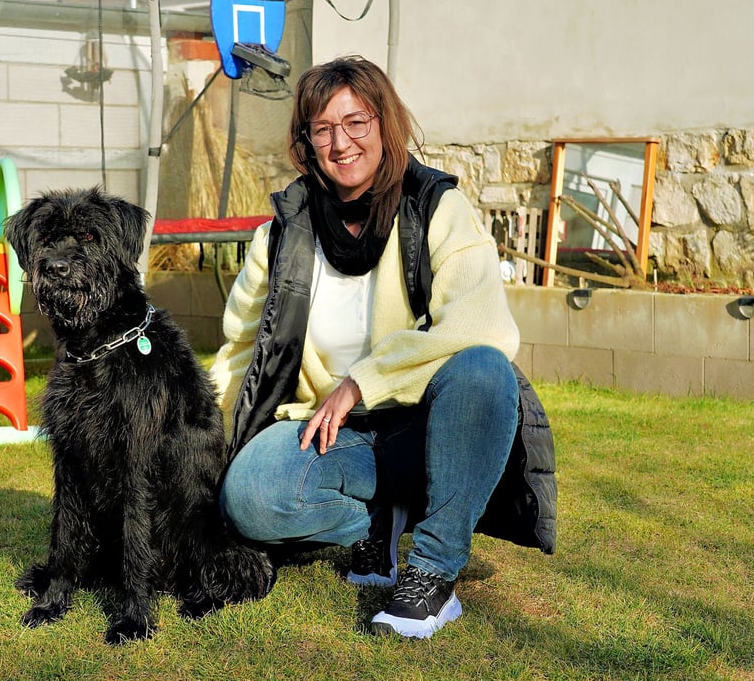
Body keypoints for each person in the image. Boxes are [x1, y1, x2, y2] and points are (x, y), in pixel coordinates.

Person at [211, 55, 555, 639]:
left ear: (385, 124)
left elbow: (484, 327)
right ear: (306, 142)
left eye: (356, 123)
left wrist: (361, 382)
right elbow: (241, 348)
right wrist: (202, 446)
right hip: (332, 434)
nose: (340, 143)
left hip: (427, 428)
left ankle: (432, 571)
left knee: (484, 369)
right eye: (322, 129)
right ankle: (378, 523)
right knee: (246, 498)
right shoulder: (282, 233)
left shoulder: (436, 207)